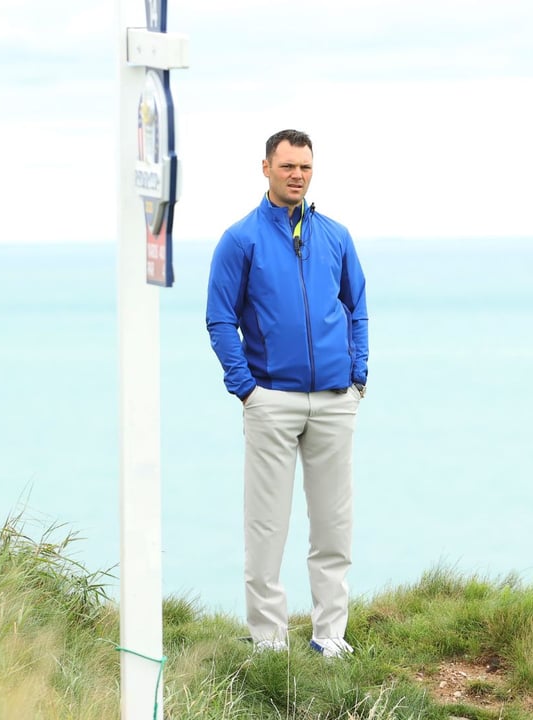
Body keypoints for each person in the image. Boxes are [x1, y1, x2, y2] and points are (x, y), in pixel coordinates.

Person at [205, 129, 369, 658]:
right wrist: (246, 389)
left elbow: (357, 307)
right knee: (267, 526)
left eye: (305, 167)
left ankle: (330, 636)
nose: (297, 175)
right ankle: (268, 640)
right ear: (265, 168)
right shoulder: (241, 239)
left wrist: (358, 376)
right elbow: (220, 318)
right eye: (287, 166)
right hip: (270, 401)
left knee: (333, 525)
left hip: (334, 400)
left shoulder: (337, 236)